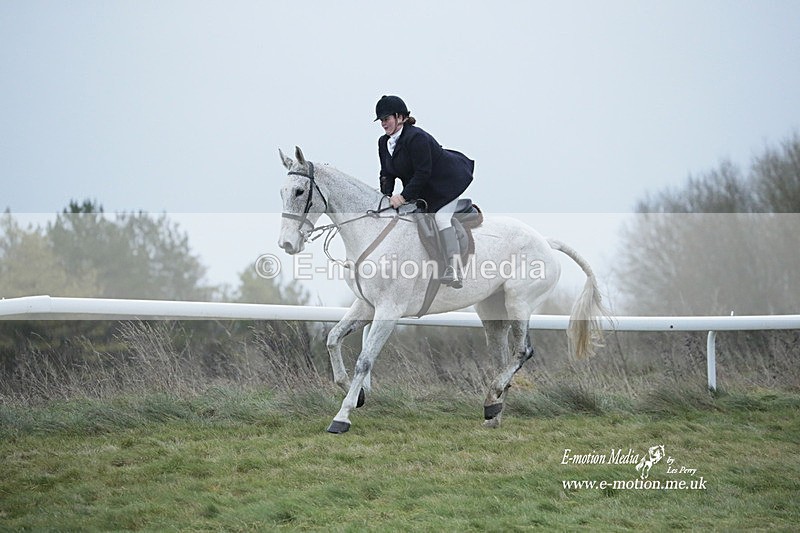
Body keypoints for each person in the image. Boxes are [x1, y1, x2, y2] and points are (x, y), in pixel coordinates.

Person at [375, 95, 474, 288]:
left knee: (441, 218)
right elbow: (386, 173)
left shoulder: (416, 137)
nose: (383, 124)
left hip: (445, 184)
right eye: (381, 120)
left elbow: (423, 173)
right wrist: (386, 196)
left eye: (386, 119)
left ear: (400, 117)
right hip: (421, 188)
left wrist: (403, 197)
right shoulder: (383, 142)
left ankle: (454, 269)